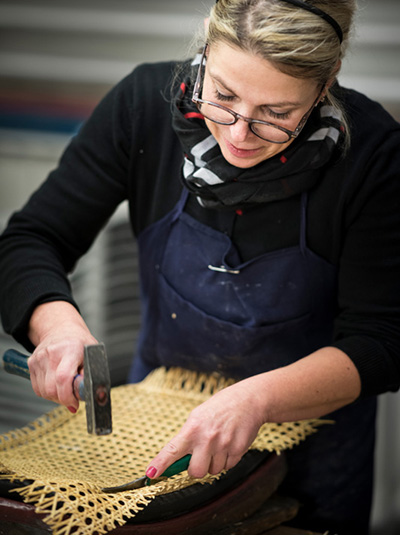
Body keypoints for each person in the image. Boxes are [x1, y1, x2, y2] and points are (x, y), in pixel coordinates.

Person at [0, 0, 399, 532]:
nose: (238, 135)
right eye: (224, 97)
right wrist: (57, 325)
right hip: (152, 428)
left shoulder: (373, 154)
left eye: (277, 114)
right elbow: (32, 238)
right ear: (206, 52)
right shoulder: (142, 105)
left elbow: (384, 340)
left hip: (312, 456)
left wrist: (255, 400)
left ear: (326, 85)